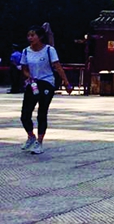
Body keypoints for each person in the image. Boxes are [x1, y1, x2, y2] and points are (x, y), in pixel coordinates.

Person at [19, 25, 73, 155]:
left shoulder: (49, 50)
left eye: (33, 35)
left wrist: (66, 82)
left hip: (46, 82)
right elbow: (24, 68)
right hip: (33, 83)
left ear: (40, 37)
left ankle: (39, 142)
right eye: (28, 35)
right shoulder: (26, 51)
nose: (30, 38)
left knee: (42, 112)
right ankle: (31, 136)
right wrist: (29, 76)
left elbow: (57, 66)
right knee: (25, 114)